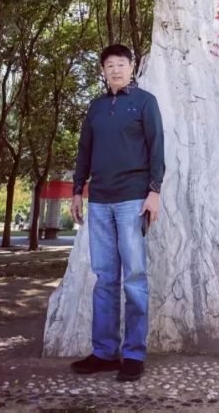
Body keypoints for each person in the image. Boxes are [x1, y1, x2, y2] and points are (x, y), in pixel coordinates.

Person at [70, 43, 164, 382]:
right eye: (109, 65)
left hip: (132, 200)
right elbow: (84, 150)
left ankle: (134, 354)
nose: (115, 69)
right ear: (103, 70)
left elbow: (157, 147)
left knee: (134, 277)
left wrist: (154, 191)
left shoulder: (145, 102)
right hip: (99, 201)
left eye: (121, 64)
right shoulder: (95, 108)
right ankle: (104, 352)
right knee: (105, 278)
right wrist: (77, 190)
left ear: (131, 67)